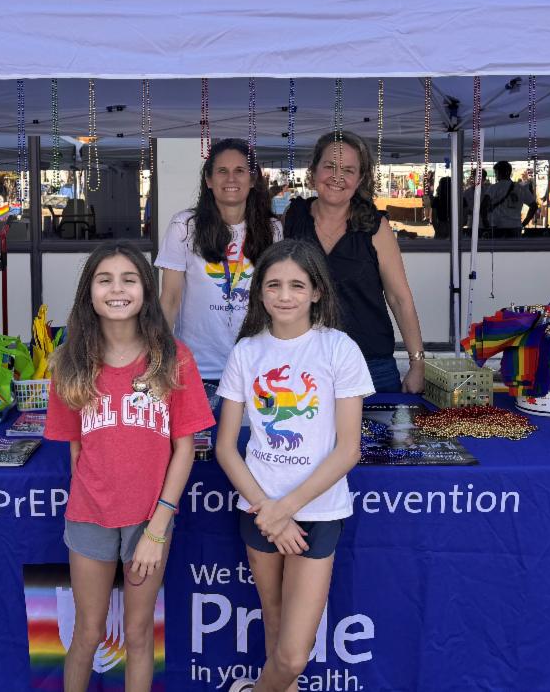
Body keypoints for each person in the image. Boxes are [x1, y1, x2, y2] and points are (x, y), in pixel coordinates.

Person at [43, 242, 214, 692]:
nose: (117, 290)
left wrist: (157, 529)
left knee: (138, 634)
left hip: (149, 519)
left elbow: (184, 449)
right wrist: (96, 497)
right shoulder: (70, 362)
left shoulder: (173, 357)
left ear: (146, 290)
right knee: (87, 632)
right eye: (105, 280)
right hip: (89, 516)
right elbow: (76, 451)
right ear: (89, 292)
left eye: (129, 279)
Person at [215, 240, 373, 692]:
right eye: (274, 285)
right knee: (275, 625)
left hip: (316, 512)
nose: (285, 295)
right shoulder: (246, 352)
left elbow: (348, 449)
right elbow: (225, 447)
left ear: (317, 291)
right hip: (258, 511)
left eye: (297, 285)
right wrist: (268, 510)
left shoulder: (339, 349)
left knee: (292, 655)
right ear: (259, 292)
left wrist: (284, 510)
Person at [283, 131, 426, 393]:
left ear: (359, 179)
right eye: (329, 166)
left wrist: (417, 363)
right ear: (313, 171)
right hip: (304, 365)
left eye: (348, 170)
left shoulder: (375, 226)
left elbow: (399, 298)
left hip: (370, 365)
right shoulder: (293, 218)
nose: (337, 177)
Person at [158, 139, 281, 385]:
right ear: (209, 180)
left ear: (252, 179)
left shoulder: (272, 229)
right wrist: (158, 357)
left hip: (255, 366)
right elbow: (170, 299)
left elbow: (276, 297)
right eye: (222, 171)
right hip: (197, 369)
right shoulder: (185, 226)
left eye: (240, 171)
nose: (231, 179)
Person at [483, 161, 538, 239]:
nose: (496, 176)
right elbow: (534, 206)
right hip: (515, 227)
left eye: (496, 173)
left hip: (497, 226)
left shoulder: (493, 188)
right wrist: (524, 223)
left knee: (498, 246)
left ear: (499, 173)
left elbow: (483, 206)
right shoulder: (521, 188)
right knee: (514, 246)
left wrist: (486, 224)